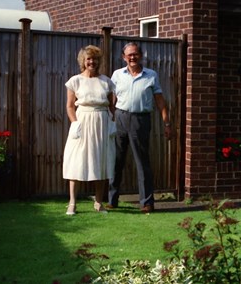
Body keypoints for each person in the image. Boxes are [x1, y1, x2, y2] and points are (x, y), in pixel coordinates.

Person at [108, 42, 172, 213]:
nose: (132, 57)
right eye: (129, 55)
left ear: (140, 55)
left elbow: (160, 101)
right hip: (120, 118)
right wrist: (110, 119)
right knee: (117, 160)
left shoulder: (151, 75)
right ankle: (112, 200)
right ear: (124, 57)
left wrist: (167, 123)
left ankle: (147, 202)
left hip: (141, 120)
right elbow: (111, 100)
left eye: (135, 54)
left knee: (142, 162)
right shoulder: (117, 75)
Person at [63, 45, 116, 215]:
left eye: (95, 59)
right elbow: (70, 106)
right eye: (88, 59)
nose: (92, 62)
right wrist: (75, 124)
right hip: (82, 121)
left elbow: (112, 105)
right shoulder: (75, 81)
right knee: (76, 161)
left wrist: (112, 122)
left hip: (102, 122)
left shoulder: (106, 81)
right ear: (83, 61)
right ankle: (72, 203)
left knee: (101, 160)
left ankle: (99, 202)